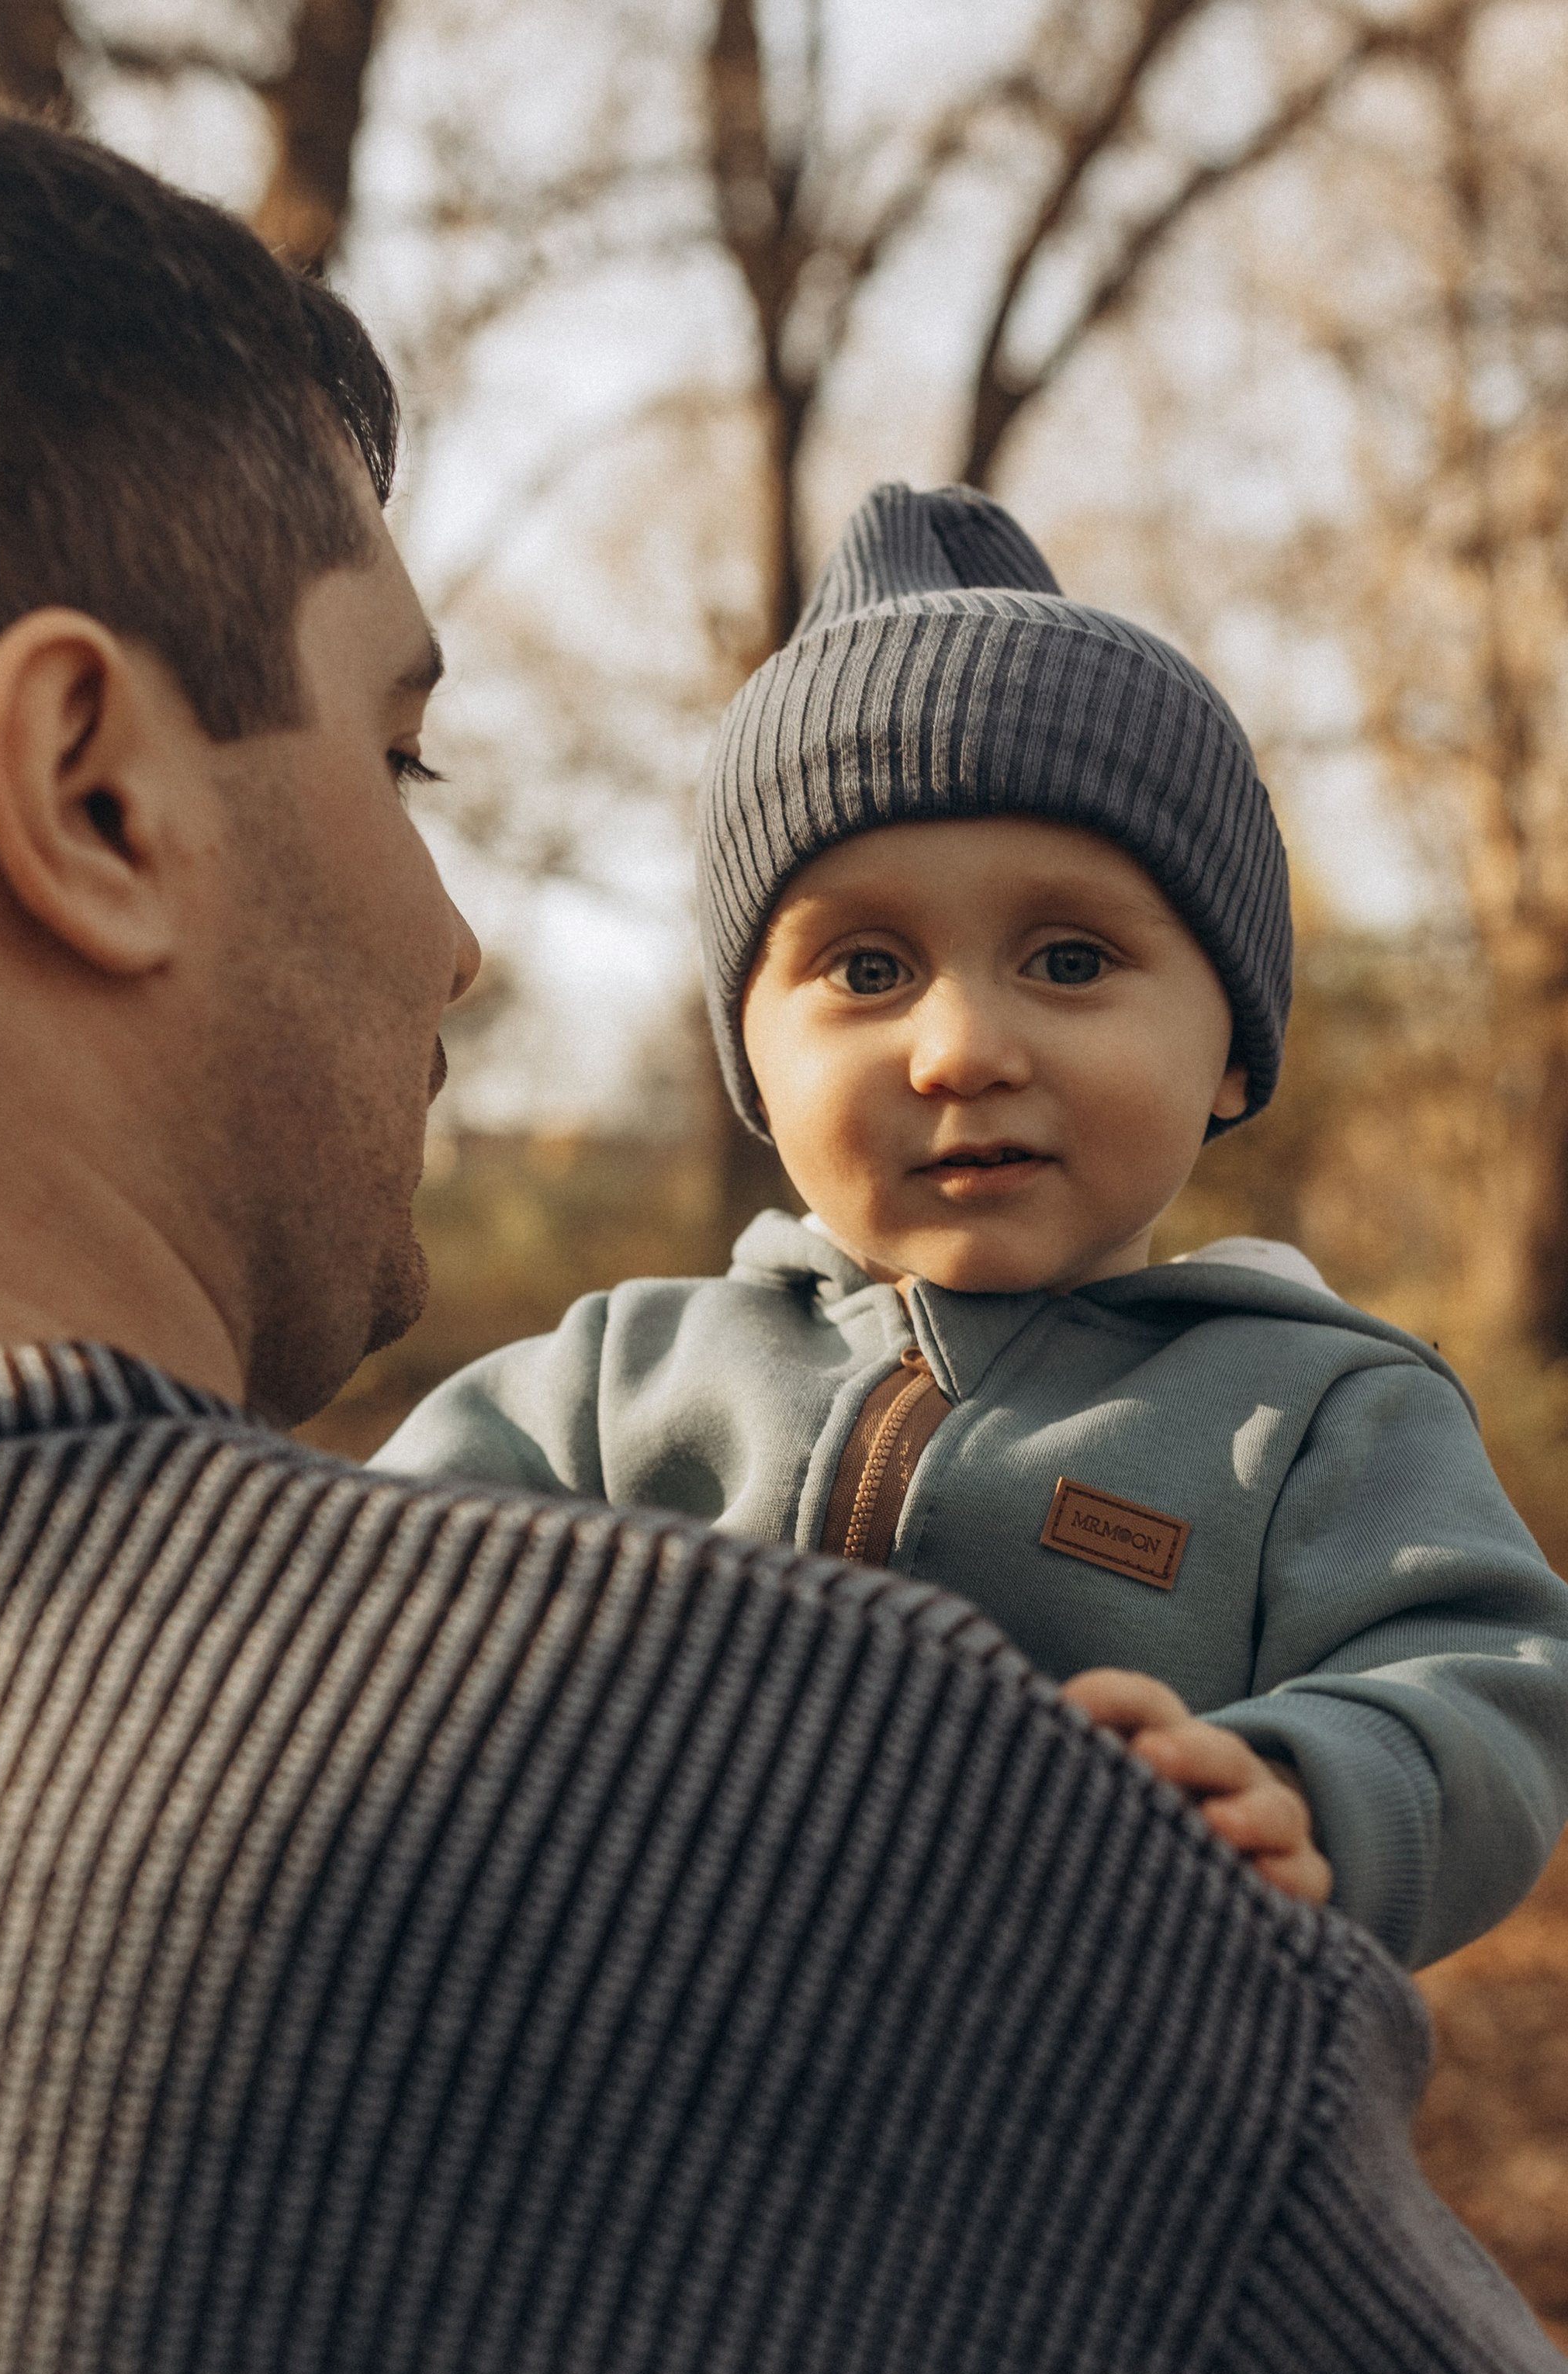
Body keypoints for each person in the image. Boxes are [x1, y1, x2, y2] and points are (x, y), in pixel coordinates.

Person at [0, 78, 1566, 2374]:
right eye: (399, 751)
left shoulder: (1288, 1414)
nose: (466, 935)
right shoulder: (831, 1814)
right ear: (92, 787)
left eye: (1073, 954)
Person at [376, 484, 1568, 1970]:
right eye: (867, 970)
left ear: (1234, 1051)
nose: (960, 1050)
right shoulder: (618, 1381)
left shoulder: (1317, 1412)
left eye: (1068, 960)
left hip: (1098, 2063)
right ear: (753, 1062)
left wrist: (1308, 1787)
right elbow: (350, 1588)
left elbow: (1488, 1677)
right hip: (645, 2055)